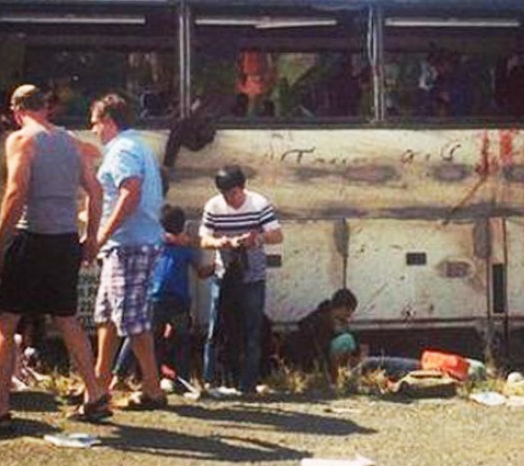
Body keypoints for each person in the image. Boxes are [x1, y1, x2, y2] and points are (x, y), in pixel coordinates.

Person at [0, 84, 108, 426]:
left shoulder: (21, 140)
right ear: (46, 108)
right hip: (66, 239)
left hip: (31, 237)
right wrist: (91, 238)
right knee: (67, 318)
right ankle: (96, 395)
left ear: (16, 111)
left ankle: (0, 409)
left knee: (5, 320)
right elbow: (95, 193)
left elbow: (16, 192)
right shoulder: (71, 142)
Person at [89, 92, 167, 410]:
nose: (93, 130)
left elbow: (129, 192)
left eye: (94, 123)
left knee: (132, 321)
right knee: (106, 316)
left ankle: (152, 389)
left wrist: (101, 233)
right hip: (126, 243)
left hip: (129, 243)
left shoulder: (121, 150)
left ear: (108, 121)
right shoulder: (137, 145)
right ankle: (97, 384)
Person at [200, 165, 283, 395]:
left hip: (252, 276)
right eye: (225, 194)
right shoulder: (213, 206)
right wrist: (220, 243)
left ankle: (248, 384)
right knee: (215, 329)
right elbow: (204, 238)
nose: (229, 198)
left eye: (233, 193)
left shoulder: (258, 203)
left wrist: (256, 238)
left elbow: (277, 235)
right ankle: (210, 382)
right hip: (223, 275)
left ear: (242, 189)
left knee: (252, 330)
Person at [112, 204, 213, 392]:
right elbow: (201, 272)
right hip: (179, 300)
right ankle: (182, 380)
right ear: (182, 226)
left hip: (155, 298)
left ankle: (120, 374)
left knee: (139, 336)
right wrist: (216, 267)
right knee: (181, 340)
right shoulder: (185, 249)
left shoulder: (155, 243)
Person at [285, 288, 359, 384]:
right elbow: (322, 347)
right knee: (346, 341)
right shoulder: (322, 319)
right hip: (310, 357)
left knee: (349, 342)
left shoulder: (331, 318)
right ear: (343, 308)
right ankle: (335, 378)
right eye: (349, 311)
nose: (349, 315)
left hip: (316, 356)